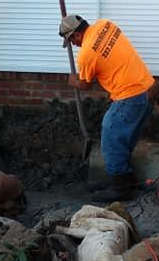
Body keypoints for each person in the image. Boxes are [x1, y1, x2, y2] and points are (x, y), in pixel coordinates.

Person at [59, 14, 154, 199]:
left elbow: (85, 85)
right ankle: (124, 178)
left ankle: (120, 189)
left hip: (129, 96)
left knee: (111, 135)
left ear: (76, 35)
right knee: (125, 139)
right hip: (147, 90)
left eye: (72, 41)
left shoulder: (86, 54)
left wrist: (73, 81)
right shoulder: (105, 25)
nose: (74, 45)